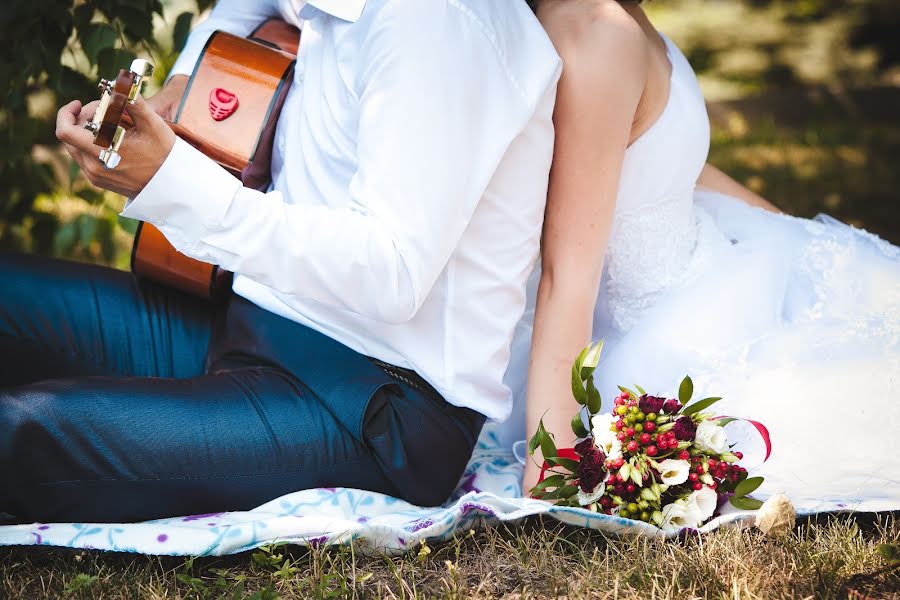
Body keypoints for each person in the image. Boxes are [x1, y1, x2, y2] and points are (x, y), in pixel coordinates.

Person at [0, 0, 562, 523]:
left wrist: (173, 181)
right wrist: (182, 81)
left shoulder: (439, 24)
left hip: (373, 401)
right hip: (248, 317)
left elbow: (393, 271)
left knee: (21, 432)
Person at [503, 0, 900, 513]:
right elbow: (568, 275)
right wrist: (552, 474)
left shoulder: (622, 15)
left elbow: (671, 158)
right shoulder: (598, 34)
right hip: (672, 332)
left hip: (729, 266)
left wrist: (798, 239)